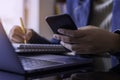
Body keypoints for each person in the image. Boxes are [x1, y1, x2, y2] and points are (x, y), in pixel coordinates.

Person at [9, 0, 120, 79]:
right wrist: (31, 38)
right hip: (84, 73)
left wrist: (115, 42)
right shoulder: (74, 1)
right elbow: (63, 46)